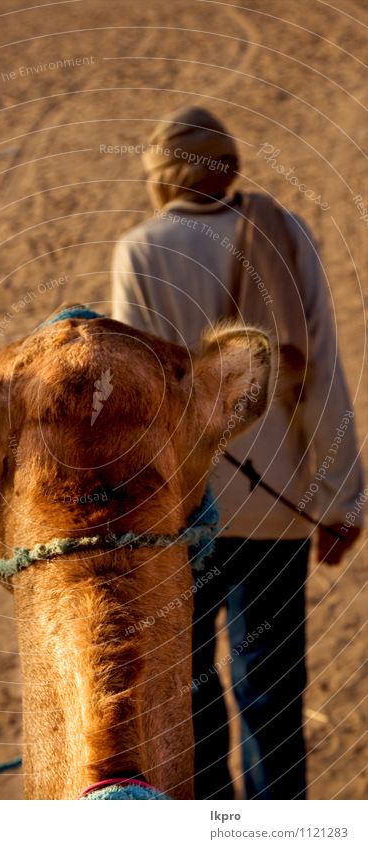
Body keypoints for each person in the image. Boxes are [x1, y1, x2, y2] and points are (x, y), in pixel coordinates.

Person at [110, 106, 364, 800]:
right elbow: (324, 376)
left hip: (180, 516)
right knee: (273, 698)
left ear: (162, 179)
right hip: (278, 512)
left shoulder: (139, 250)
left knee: (189, 695)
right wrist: (342, 496)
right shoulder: (287, 237)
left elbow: (139, 401)